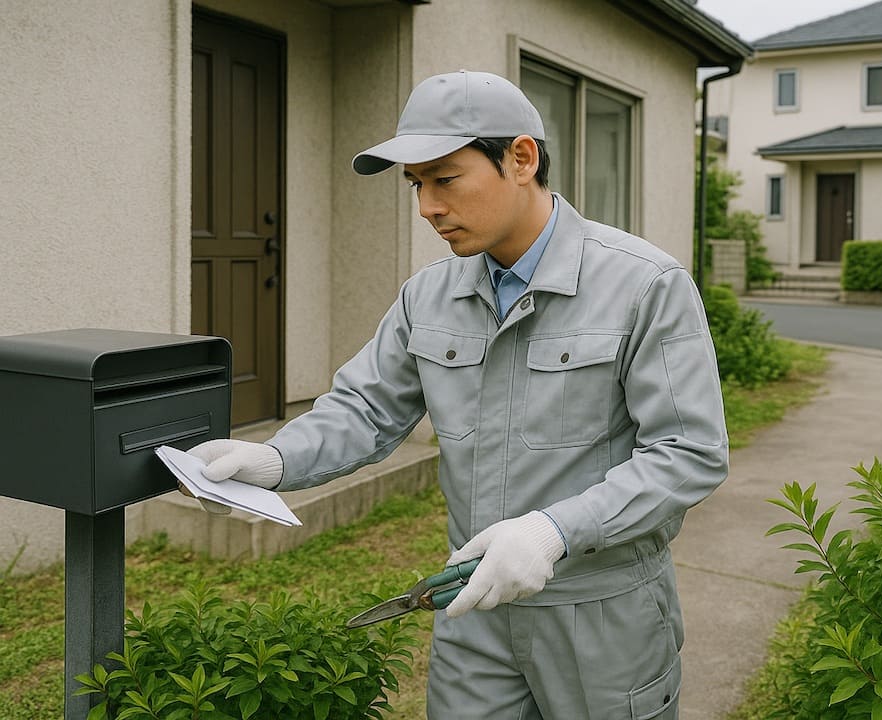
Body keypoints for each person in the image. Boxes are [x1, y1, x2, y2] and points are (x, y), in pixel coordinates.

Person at [189, 69, 728, 719]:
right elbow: (366, 407)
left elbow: (688, 450)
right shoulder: (430, 294)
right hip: (472, 610)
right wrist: (273, 460)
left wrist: (554, 532)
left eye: (445, 179)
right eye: (416, 185)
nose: (427, 208)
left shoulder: (644, 285)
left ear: (521, 158)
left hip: (603, 617)